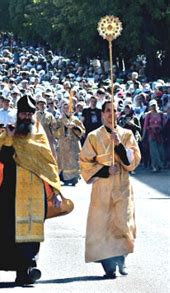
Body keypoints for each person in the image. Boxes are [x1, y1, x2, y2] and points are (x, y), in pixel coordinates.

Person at [0, 95, 62, 285]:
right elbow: (3, 159)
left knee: (32, 230)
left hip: (35, 191)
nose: (26, 117)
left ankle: (29, 267)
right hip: (11, 189)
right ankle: (21, 269)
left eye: (29, 114)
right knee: (10, 230)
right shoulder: (8, 134)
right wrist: (11, 139)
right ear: (18, 115)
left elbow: (48, 163)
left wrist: (56, 191)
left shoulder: (39, 135)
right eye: (23, 113)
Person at [79, 100, 141, 279]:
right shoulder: (93, 136)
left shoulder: (127, 134)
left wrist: (119, 145)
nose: (111, 114)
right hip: (102, 188)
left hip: (122, 187)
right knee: (103, 225)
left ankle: (121, 259)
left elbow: (133, 162)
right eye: (107, 111)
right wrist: (105, 170)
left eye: (114, 111)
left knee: (122, 223)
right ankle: (108, 266)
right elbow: (85, 162)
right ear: (102, 114)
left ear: (118, 114)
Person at [54, 101, 85, 185]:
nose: (67, 110)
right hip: (63, 144)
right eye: (65, 108)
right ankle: (63, 178)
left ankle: (74, 178)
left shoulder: (76, 120)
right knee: (62, 161)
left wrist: (74, 127)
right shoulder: (60, 120)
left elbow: (82, 131)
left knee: (73, 161)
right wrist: (61, 130)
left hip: (73, 144)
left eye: (68, 108)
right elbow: (55, 131)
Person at [143, 99, 165, 172]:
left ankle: (160, 164)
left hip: (159, 134)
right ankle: (155, 166)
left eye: (154, 105)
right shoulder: (148, 115)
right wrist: (143, 136)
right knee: (153, 151)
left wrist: (159, 128)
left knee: (160, 150)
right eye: (152, 106)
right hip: (151, 134)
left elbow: (163, 124)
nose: (153, 107)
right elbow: (145, 126)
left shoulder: (161, 114)